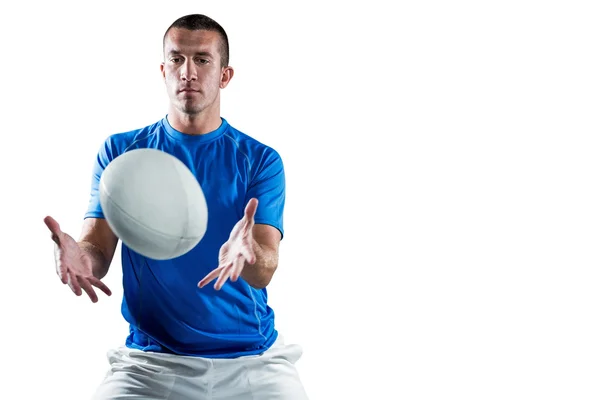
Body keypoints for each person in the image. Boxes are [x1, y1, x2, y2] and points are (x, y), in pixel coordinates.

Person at [44, 13, 308, 400]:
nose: (188, 72)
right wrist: (81, 257)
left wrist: (250, 254)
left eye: (202, 59)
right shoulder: (121, 155)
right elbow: (96, 250)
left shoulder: (260, 160)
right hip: (151, 363)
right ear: (163, 69)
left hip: (251, 359)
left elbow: (265, 268)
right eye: (177, 59)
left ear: (224, 75)